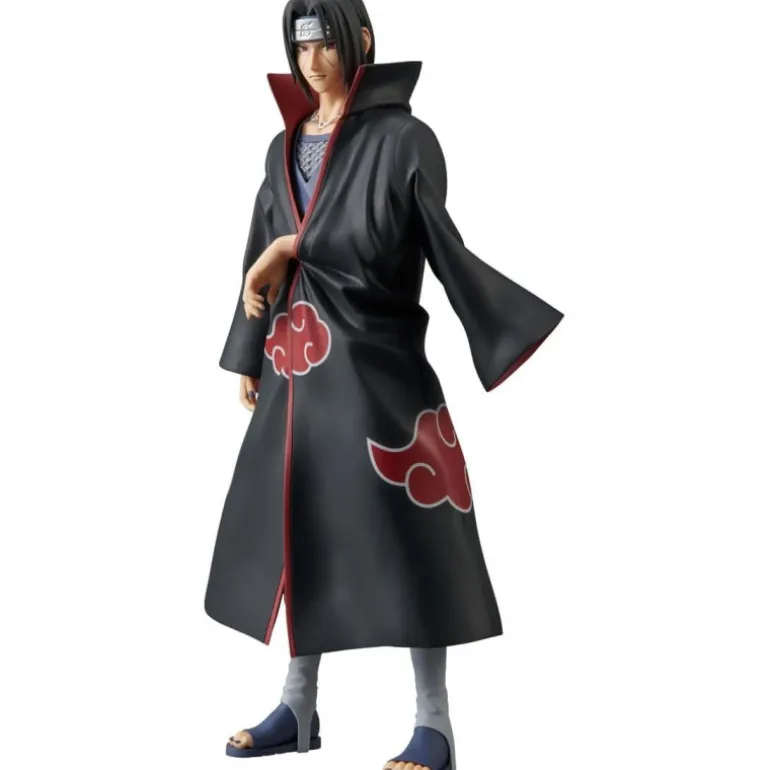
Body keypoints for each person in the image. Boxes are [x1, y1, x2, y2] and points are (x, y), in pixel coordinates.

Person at [204, 1, 565, 768]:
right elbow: (257, 249)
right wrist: (249, 352)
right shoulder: (282, 144)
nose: (311, 63)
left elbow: (392, 241)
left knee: (414, 537)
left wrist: (292, 245)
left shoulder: (404, 139)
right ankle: (298, 706)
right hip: (298, 370)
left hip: (379, 369)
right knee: (297, 528)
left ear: (359, 41)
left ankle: (434, 722)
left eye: (325, 45)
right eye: (299, 48)